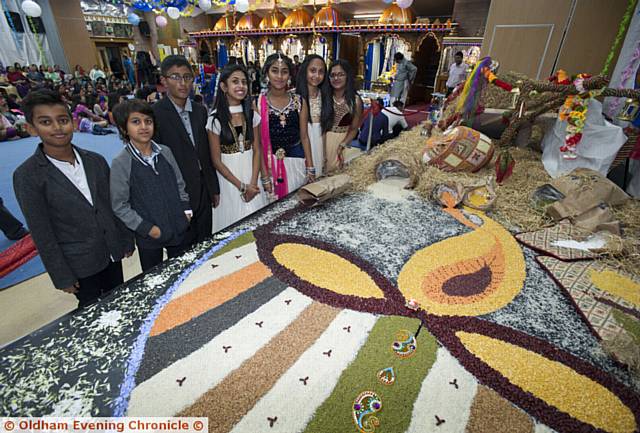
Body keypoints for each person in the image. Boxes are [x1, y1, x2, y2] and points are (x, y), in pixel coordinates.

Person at [13, 89, 133, 307]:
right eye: (46, 122)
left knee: (119, 302)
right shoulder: (28, 176)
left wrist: (124, 239)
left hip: (111, 252)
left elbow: (111, 205)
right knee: (92, 312)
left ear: (74, 123)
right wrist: (62, 275)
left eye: (62, 120)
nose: (57, 128)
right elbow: (42, 231)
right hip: (79, 264)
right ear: (31, 128)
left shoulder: (95, 161)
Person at [110, 99, 191, 271]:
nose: (144, 127)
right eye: (136, 122)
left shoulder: (165, 151)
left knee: (183, 272)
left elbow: (179, 183)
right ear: (124, 128)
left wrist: (186, 211)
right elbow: (119, 205)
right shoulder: (121, 162)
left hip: (178, 227)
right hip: (150, 237)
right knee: (155, 279)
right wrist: (148, 229)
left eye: (148, 121)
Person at [153, 55, 220, 245]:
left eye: (187, 77)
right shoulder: (156, 114)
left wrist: (213, 187)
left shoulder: (200, 110)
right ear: (164, 81)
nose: (182, 83)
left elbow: (206, 153)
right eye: (175, 77)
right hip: (178, 191)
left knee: (205, 242)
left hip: (203, 188)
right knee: (183, 247)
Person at [207, 64, 267, 232]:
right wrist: (241, 186)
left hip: (251, 173)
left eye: (243, 82)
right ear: (224, 87)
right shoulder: (215, 119)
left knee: (256, 224)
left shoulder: (252, 114)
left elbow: (257, 148)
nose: (241, 86)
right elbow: (216, 160)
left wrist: (253, 184)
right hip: (229, 179)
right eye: (235, 82)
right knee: (233, 223)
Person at [258, 53, 314, 200]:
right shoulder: (258, 103)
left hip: (295, 161)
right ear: (267, 74)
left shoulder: (299, 101)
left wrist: (310, 167)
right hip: (269, 165)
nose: (279, 76)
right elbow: (257, 143)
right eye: (274, 71)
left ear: (289, 75)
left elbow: (304, 137)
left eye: (284, 71)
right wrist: (264, 175)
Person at [324, 59, 363, 173]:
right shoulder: (323, 97)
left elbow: (354, 129)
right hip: (321, 140)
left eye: (341, 74)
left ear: (347, 76)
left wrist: (343, 144)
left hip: (341, 142)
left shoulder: (355, 101)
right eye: (333, 75)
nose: (336, 78)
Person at [296, 54, 331, 177]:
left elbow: (326, 128)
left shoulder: (326, 96)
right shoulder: (294, 97)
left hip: (319, 144)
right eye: (312, 70)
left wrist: (326, 153)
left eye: (321, 72)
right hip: (301, 144)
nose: (316, 76)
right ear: (305, 70)